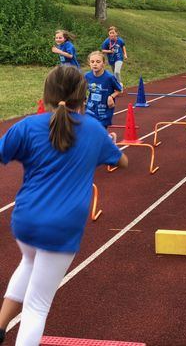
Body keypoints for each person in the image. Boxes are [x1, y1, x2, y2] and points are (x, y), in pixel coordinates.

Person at [0, 66, 127, 346]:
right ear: (83, 97)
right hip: (62, 226)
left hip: (26, 219)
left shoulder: (26, 126)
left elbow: (2, 152)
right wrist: (109, 144)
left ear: (46, 95)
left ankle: (0, 325)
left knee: (29, 260)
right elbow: (121, 161)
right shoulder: (93, 130)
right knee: (37, 306)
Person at [84, 51, 123, 137]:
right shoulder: (87, 76)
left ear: (103, 63)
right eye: (92, 62)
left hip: (104, 110)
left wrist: (111, 97)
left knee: (100, 133)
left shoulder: (109, 77)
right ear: (89, 63)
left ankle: (109, 138)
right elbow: (81, 88)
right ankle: (108, 139)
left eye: (98, 62)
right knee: (90, 132)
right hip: (90, 108)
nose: (95, 64)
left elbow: (119, 90)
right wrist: (84, 98)